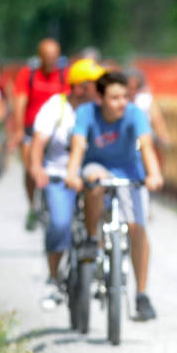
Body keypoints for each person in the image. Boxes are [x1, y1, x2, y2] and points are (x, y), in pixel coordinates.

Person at [66, 71, 165, 321]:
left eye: (124, 96)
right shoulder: (86, 113)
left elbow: (146, 146)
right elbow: (78, 146)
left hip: (130, 172)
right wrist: (71, 173)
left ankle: (141, 296)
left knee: (137, 228)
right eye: (114, 97)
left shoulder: (134, 113)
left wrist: (153, 174)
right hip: (97, 166)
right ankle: (91, 236)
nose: (121, 102)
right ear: (100, 98)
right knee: (95, 183)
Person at [29, 58, 105, 310]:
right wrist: (37, 168)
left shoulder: (100, 109)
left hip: (90, 176)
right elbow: (38, 142)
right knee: (60, 224)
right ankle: (53, 279)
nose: (102, 87)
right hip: (59, 176)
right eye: (96, 83)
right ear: (80, 87)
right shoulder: (56, 108)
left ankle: (103, 269)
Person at [13, 39, 69, 231]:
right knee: (30, 167)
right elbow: (20, 102)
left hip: (55, 130)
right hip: (32, 127)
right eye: (47, 56)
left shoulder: (63, 75)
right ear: (40, 56)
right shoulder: (28, 75)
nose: (51, 60)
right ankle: (33, 206)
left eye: (54, 56)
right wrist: (19, 129)